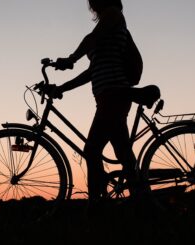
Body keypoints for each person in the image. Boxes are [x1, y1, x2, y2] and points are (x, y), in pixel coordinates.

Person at [52, 0, 143, 204]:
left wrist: (72, 58)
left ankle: (97, 206)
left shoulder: (113, 15)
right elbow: (92, 72)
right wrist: (62, 88)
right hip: (107, 97)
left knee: (93, 150)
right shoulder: (105, 28)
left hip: (114, 94)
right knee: (121, 152)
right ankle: (140, 202)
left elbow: (90, 39)